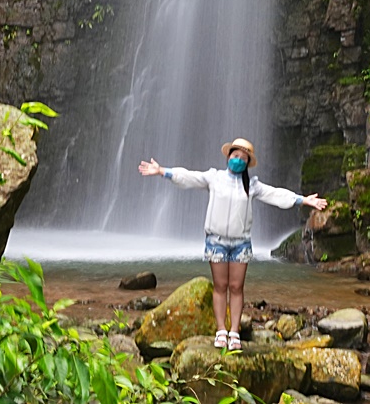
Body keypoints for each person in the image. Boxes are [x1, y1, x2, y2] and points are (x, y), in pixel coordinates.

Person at [138, 138, 328, 350]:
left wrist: (302, 200)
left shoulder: (252, 185)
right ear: (228, 157)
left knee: (236, 287)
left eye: (243, 158)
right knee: (220, 286)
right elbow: (189, 177)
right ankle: (221, 330)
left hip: (241, 243)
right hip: (216, 241)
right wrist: (162, 171)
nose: (238, 160)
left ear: (247, 163)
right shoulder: (214, 178)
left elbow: (275, 194)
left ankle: (234, 332)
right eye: (235, 156)